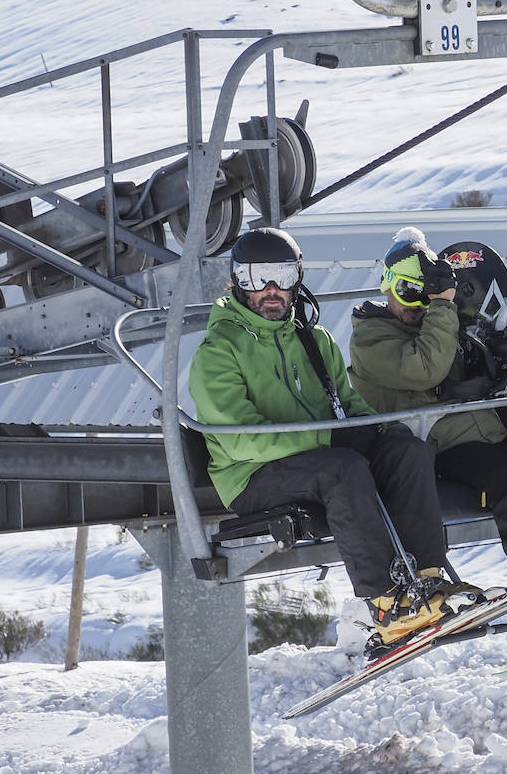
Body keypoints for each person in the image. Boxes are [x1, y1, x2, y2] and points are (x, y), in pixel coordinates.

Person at [188, 227, 489, 651]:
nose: (272, 290)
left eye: (283, 277)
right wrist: (326, 438)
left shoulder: (314, 341)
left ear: (298, 279)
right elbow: (239, 440)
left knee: (408, 451)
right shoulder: (219, 350)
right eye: (258, 279)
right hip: (250, 476)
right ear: (237, 282)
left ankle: (427, 581)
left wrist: (382, 431)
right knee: (341, 468)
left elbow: (348, 404)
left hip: (314, 458)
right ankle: (383, 601)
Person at [347, 228, 507, 642]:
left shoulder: (433, 322)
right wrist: (444, 307)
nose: (417, 305)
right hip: (437, 447)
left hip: (479, 430)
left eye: (425, 294)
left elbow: (458, 362)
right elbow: (424, 368)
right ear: (388, 288)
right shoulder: (371, 337)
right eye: (409, 294)